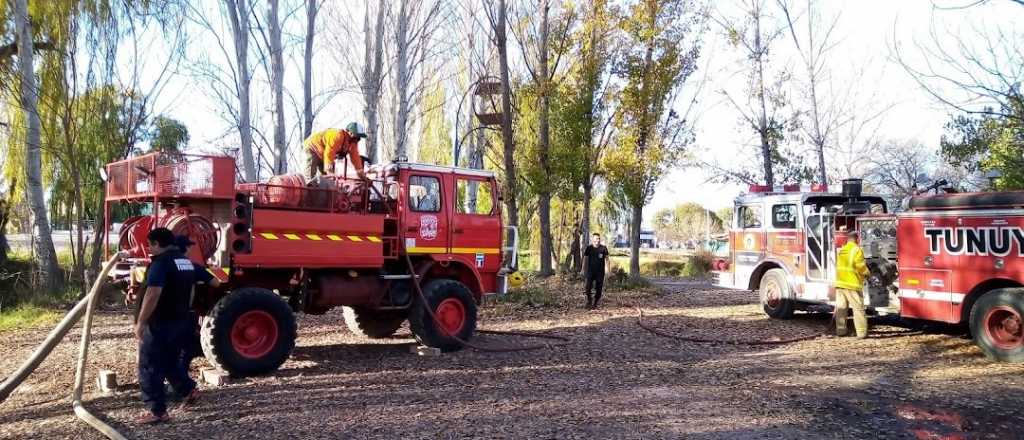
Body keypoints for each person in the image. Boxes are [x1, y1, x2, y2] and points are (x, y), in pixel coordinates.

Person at [135, 228, 219, 424]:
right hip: (181, 322)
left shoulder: (161, 263)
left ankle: (156, 411)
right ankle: (188, 390)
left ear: (157, 244)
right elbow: (215, 282)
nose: (149, 249)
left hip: (160, 323)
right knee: (170, 361)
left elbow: (153, 293)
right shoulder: (187, 263)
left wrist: (141, 321)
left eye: (150, 245)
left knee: (150, 366)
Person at [835, 230, 870, 339]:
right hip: (852, 284)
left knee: (841, 309)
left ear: (848, 239)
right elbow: (860, 266)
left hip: (840, 284)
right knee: (858, 309)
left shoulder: (842, 250)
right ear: (857, 239)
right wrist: (867, 273)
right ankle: (861, 333)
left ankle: (841, 331)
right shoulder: (856, 250)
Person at [304, 122, 368, 179]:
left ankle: (325, 186)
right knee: (312, 170)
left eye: (359, 138)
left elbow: (356, 158)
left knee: (328, 178)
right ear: (350, 133)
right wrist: (329, 170)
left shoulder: (352, 143)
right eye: (357, 136)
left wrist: (361, 174)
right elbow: (329, 152)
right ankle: (308, 185)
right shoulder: (338, 136)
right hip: (312, 147)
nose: (358, 139)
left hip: (324, 152)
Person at [582, 233, 610, 309]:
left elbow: (607, 259)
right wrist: (582, 269)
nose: (597, 240)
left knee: (599, 289)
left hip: (600, 273)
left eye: (598, 238)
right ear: (593, 239)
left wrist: (608, 270)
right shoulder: (589, 248)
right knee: (588, 288)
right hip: (590, 272)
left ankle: (595, 303)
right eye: (596, 238)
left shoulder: (603, 248)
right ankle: (589, 301)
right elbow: (585, 259)